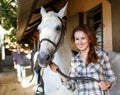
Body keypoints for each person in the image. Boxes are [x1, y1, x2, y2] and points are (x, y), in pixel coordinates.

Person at [49, 24, 117, 95]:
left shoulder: (102, 55)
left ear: (89, 39)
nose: (80, 42)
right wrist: (58, 72)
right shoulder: (74, 60)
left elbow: (112, 77)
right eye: (77, 39)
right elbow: (72, 87)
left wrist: (106, 84)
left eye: (83, 38)